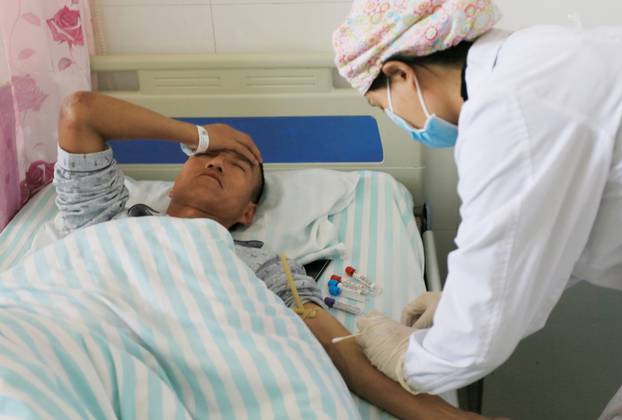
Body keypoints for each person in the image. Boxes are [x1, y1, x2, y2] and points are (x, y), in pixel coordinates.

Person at [53, 90, 500, 419]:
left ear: (247, 212)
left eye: (237, 164)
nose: (216, 162)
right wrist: (199, 133)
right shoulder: (107, 218)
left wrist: (450, 418)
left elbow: (342, 354)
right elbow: (80, 113)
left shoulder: (261, 265)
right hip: (73, 344)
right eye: (207, 156)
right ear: (175, 181)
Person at [332, 0, 622, 417]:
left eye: (383, 108)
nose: (405, 129)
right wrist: (455, 300)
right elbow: (549, 238)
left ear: (401, 74)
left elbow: (474, 343)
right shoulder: (531, 57)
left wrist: (406, 358)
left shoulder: (509, 116)